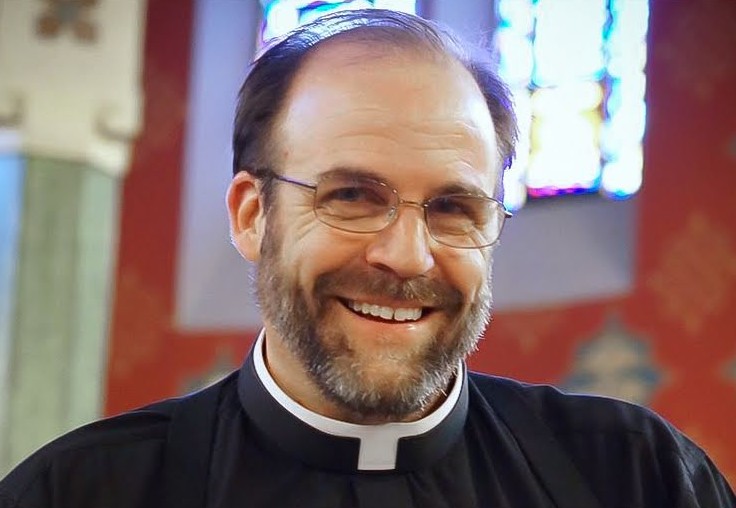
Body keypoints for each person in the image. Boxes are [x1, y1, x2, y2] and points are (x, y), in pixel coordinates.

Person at [1, 8, 734, 508]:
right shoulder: (81, 490)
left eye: (454, 207)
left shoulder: (637, 477)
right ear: (253, 216)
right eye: (352, 196)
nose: (407, 256)